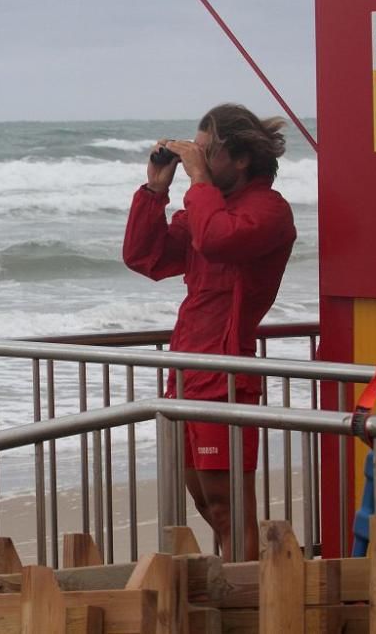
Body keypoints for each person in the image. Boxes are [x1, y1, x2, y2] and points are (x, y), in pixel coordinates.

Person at [122, 103, 296, 560]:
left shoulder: (267, 210)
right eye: (193, 152)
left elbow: (219, 239)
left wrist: (197, 181)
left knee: (227, 505)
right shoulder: (207, 208)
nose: (195, 160)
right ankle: (235, 578)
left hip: (225, 371)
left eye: (206, 152)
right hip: (188, 365)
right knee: (202, 497)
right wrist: (155, 189)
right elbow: (147, 258)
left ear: (240, 159)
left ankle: (247, 597)